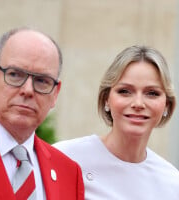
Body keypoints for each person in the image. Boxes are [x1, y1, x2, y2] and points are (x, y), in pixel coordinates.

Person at [54, 45, 179, 199]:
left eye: (152, 93)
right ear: (106, 99)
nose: (138, 103)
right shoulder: (64, 158)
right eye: (125, 91)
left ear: (167, 104)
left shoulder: (172, 182)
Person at [0, 27, 84, 200]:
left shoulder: (69, 173)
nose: (28, 90)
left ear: (55, 94)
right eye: (15, 74)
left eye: (42, 81)